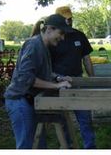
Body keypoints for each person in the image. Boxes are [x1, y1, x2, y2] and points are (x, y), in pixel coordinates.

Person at [4, 14, 74, 149]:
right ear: (49, 29)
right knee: (27, 147)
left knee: (39, 146)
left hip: (29, 101)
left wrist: (58, 78)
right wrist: (56, 85)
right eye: (61, 33)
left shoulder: (43, 45)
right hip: (20, 101)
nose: (63, 38)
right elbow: (26, 78)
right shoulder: (34, 45)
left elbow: (43, 73)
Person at [49, 6, 96, 149]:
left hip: (77, 81)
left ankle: (90, 148)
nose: (68, 22)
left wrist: (93, 79)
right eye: (65, 19)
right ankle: (67, 147)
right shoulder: (52, 38)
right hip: (59, 83)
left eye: (70, 19)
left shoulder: (79, 35)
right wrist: (55, 80)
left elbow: (86, 59)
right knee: (62, 120)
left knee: (85, 118)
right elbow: (46, 64)